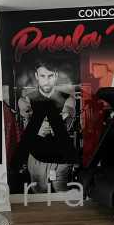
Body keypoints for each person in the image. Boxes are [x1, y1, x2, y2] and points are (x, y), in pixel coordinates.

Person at [17, 60, 76, 193]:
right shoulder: (27, 99)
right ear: (37, 76)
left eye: (50, 76)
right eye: (42, 76)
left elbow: (66, 117)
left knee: (61, 192)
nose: (46, 81)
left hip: (60, 157)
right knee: (39, 195)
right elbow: (25, 121)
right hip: (36, 156)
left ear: (55, 76)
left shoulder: (68, 99)